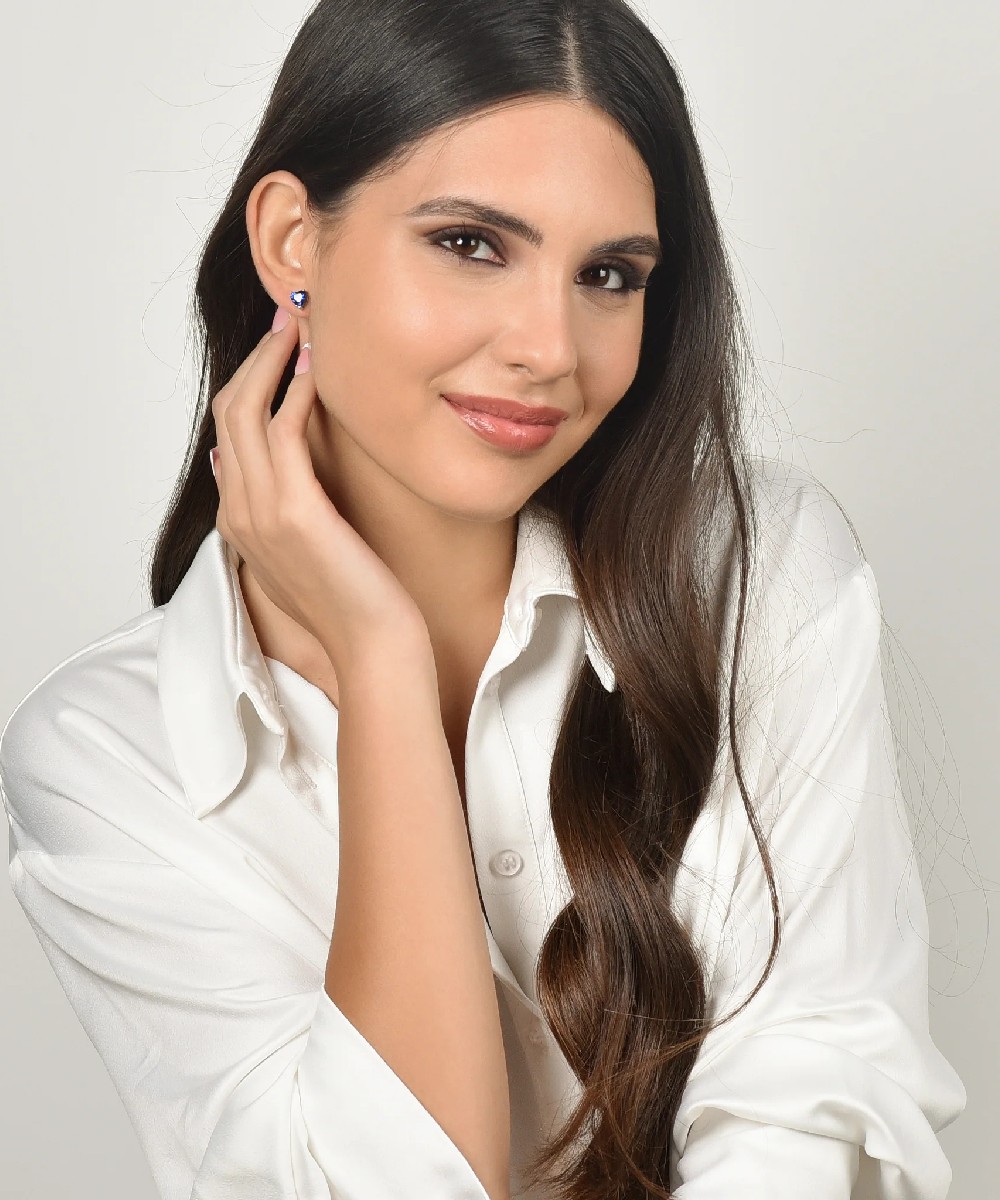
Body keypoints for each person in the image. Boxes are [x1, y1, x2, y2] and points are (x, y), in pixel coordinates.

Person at [0, 1, 966, 1197]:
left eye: (607, 275)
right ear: (292, 241)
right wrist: (383, 668)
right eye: (470, 243)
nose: (549, 347)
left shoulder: (751, 571)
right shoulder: (111, 754)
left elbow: (808, 1101)